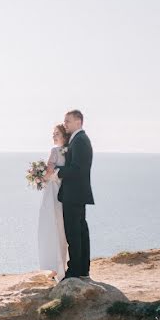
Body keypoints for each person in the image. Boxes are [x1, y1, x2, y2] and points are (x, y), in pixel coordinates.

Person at [47, 109, 94, 280]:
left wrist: (57, 172)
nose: (65, 124)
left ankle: (75, 270)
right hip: (76, 193)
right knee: (79, 232)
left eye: (68, 121)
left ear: (78, 122)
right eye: (65, 121)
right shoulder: (77, 140)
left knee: (74, 233)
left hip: (74, 194)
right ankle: (82, 269)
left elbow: (77, 169)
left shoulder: (80, 140)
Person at [37, 124, 69, 281]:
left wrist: (39, 177)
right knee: (62, 230)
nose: (54, 136)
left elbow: (49, 172)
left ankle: (57, 268)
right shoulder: (70, 151)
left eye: (56, 133)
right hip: (65, 193)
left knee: (53, 228)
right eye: (53, 134)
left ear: (63, 135)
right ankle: (62, 266)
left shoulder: (55, 151)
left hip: (53, 195)